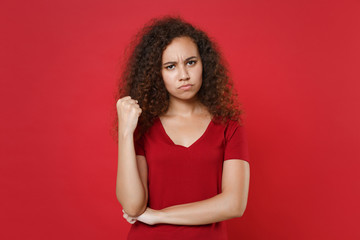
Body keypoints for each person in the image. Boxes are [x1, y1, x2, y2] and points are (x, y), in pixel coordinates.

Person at [113, 16, 250, 240]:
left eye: (191, 62)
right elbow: (133, 206)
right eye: (170, 66)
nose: (184, 75)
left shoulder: (229, 126)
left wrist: (159, 216)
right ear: (157, 74)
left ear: (204, 63)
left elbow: (234, 204)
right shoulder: (144, 127)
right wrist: (126, 133)